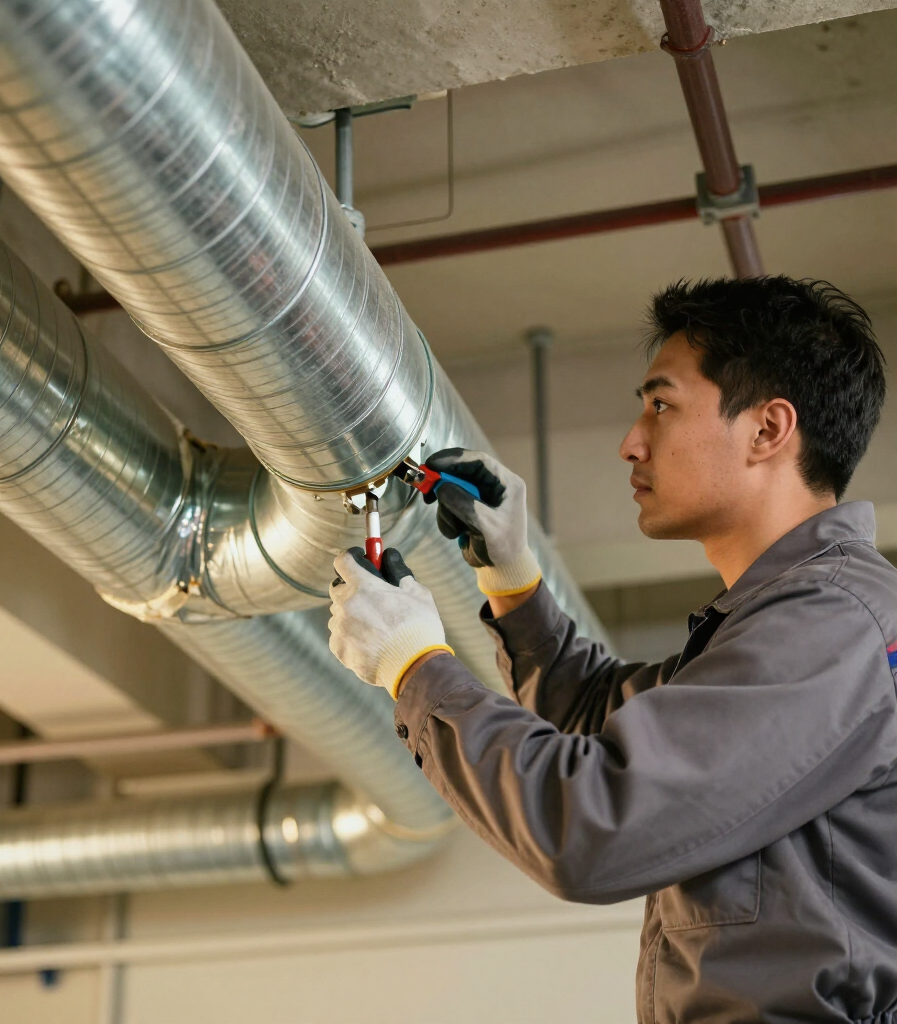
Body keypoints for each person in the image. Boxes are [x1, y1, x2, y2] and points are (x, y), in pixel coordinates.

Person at [327, 276, 897, 1024]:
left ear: (768, 430)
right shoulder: (788, 622)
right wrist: (514, 581)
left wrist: (414, 667)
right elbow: (605, 721)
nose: (632, 441)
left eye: (661, 405)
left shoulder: (836, 624)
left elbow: (592, 824)